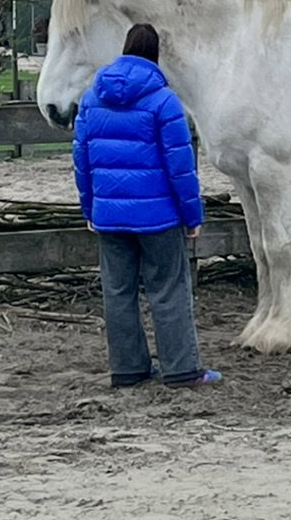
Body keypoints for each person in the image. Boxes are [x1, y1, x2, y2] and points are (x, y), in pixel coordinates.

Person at [73, 23, 221, 389]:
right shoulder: (163, 101)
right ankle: (181, 370)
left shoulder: (92, 98)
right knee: (169, 289)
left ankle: (128, 369)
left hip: (110, 217)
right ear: (155, 54)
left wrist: (90, 208)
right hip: (158, 219)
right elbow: (180, 166)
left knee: (118, 292)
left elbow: (81, 159)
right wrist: (193, 215)